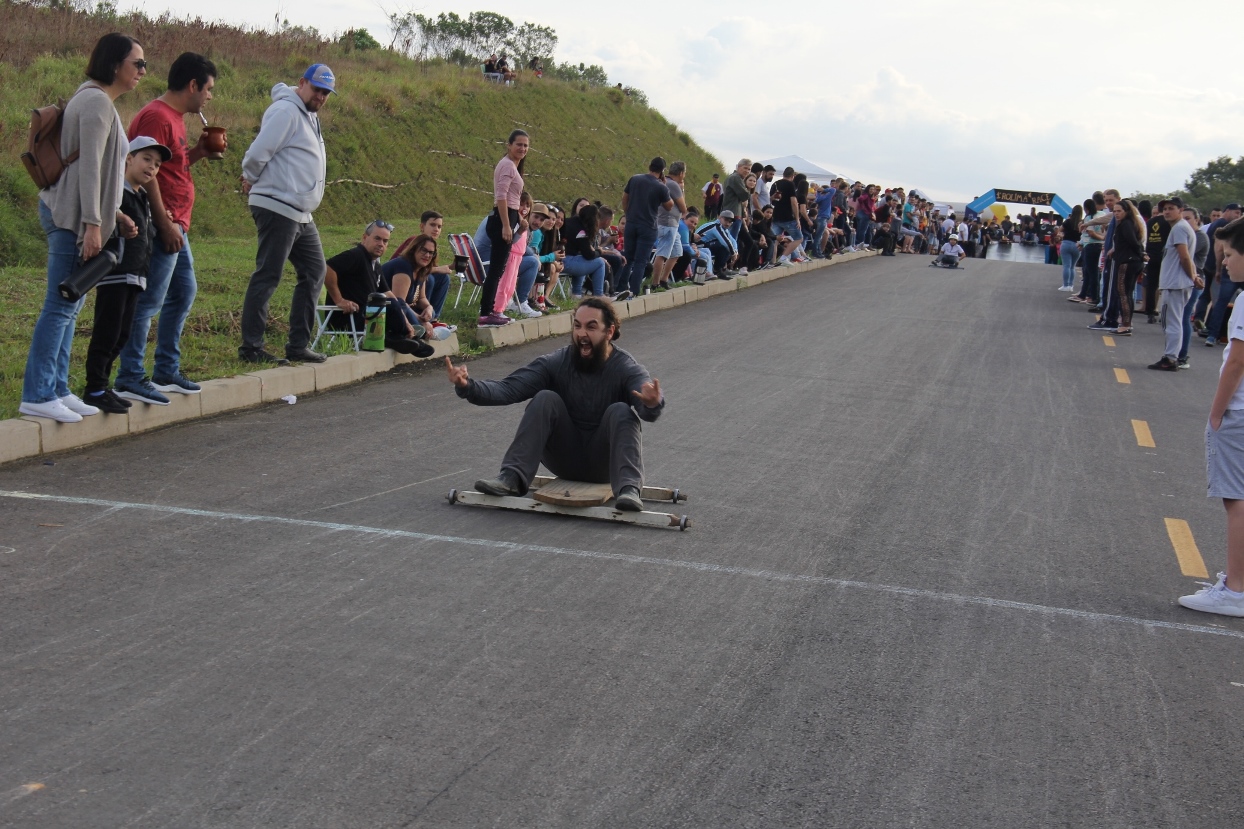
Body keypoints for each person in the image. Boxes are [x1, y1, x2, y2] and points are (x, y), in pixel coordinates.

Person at [19, 32, 144, 423]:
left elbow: (101, 173)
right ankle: (38, 393)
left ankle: (57, 388)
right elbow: (89, 168)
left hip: (80, 215)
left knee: (70, 308)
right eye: (137, 63)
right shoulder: (95, 102)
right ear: (114, 64)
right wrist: (93, 223)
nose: (143, 71)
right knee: (60, 306)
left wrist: (114, 215)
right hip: (71, 218)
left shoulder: (97, 101)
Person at [446, 297, 664, 512]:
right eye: (577, 326)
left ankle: (628, 490)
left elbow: (646, 403)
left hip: (605, 465)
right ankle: (511, 478)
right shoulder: (556, 362)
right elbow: (508, 389)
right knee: (545, 398)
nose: (582, 334)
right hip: (563, 459)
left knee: (621, 411)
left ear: (609, 332)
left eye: (591, 327)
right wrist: (468, 386)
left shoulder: (626, 367)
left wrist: (652, 403)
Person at [112, 52, 221, 405]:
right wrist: (163, 222)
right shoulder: (157, 117)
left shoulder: (174, 118)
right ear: (193, 85)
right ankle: (130, 375)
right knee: (148, 300)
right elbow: (144, 171)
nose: (209, 96)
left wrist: (198, 152)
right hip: (161, 223)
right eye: (208, 89)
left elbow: (168, 166)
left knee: (184, 291)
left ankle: (166, 369)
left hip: (176, 223)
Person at [238, 63, 336, 364]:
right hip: (277, 205)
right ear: (302, 83)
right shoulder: (286, 111)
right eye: (317, 89)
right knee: (268, 273)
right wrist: (250, 177)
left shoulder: (308, 114)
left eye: (326, 93)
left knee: (315, 271)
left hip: (301, 212)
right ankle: (251, 348)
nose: (321, 97)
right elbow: (258, 152)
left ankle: (298, 345)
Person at [1179, 216, 1244, 617]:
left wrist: (1216, 413)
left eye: (1231, 254)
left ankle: (1235, 590)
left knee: (1236, 500)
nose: (1225, 263)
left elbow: (1237, 361)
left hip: (1239, 411)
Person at [84, 136, 168, 414]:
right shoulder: (115, 193)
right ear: (128, 158)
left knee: (121, 334)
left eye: (157, 165)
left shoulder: (142, 196)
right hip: (116, 274)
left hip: (136, 275)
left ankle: (103, 386)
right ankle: (94, 388)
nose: (152, 167)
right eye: (146, 159)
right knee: (107, 333)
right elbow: (104, 215)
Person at [325, 221, 434, 357]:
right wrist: (339, 300)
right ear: (365, 237)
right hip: (348, 319)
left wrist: (406, 322)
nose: (381, 244)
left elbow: (389, 294)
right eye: (377, 239)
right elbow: (328, 268)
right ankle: (404, 339)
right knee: (392, 304)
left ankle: (398, 338)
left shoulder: (375, 265)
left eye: (385, 241)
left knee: (397, 302)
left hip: (369, 318)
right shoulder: (356, 255)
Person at [1147, 198, 1201, 371]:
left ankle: (1170, 358)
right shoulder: (1182, 228)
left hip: (1175, 284)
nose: (1167, 212)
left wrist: (1192, 277)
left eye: (1171, 208)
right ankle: (1172, 356)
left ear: (1180, 210)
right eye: (1165, 209)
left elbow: (1184, 256)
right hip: (1177, 282)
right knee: (1174, 322)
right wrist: (1194, 276)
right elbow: (1188, 258)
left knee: (1171, 323)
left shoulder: (1179, 228)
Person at [382, 230, 454, 343]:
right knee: (412, 313)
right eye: (423, 250)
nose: (427, 255)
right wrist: (422, 320)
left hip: (404, 308)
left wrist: (429, 308)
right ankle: (425, 332)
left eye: (431, 253)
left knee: (430, 313)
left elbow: (421, 298)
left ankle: (423, 330)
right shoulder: (403, 266)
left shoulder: (421, 269)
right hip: (385, 309)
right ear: (414, 249)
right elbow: (399, 303)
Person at [619, 157, 674, 299]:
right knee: (640, 261)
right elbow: (669, 206)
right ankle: (634, 291)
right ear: (662, 171)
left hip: (631, 222)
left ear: (650, 166)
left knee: (628, 257)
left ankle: (620, 288)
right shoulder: (661, 187)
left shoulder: (635, 179)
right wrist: (664, 185)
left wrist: (628, 214)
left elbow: (625, 198)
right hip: (648, 226)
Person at [1107, 198, 1146, 336]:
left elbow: (1133, 242)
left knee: (1123, 293)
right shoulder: (1132, 223)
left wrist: (1141, 254)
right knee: (1127, 293)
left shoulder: (1126, 224)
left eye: (1119, 211)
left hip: (1127, 262)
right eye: (1114, 211)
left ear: (1127, 211)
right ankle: (1126, 322)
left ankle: (1125, 325)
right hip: (1132, 261)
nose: (1116, 214)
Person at [1178, 206, 1210, 369]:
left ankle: (1182, 356)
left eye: (1188, 218)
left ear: (1197, 220)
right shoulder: (1185, 235)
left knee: (1184, 317)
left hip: (1195, 282)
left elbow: (1183, 254)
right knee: (1177, 318)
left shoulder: (1200, 237)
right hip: (1182, 281)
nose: (1184, 221)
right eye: (1182, 218)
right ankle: (1175, 353)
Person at [651, 160, 688, 291]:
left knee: (677, 252)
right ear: (681, 173)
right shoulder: (673, 185)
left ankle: (664, 279)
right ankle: (655, 283)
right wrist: (682, 189)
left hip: (668, 223)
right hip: (668, 223)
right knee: (662, 254)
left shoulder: (664, 182)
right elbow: (683, 207)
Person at [561, 203, 609, 298]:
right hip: (565, 261)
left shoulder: (570, 221)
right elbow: (589, 255)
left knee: (580, 259)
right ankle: (599, 295)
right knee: (600, 263)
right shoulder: (581, 231)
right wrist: (599, 252)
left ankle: (576, 293)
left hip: (560, 259)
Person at [1057, 205, 1083, 291]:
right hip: (1077, 245)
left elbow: (1060, 230)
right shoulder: (1082, 222)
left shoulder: (1068, 221)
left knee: (1066, 266)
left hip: (1066, 243)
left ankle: (1065, 285)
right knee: (1072, 266)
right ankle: (1071, 285)